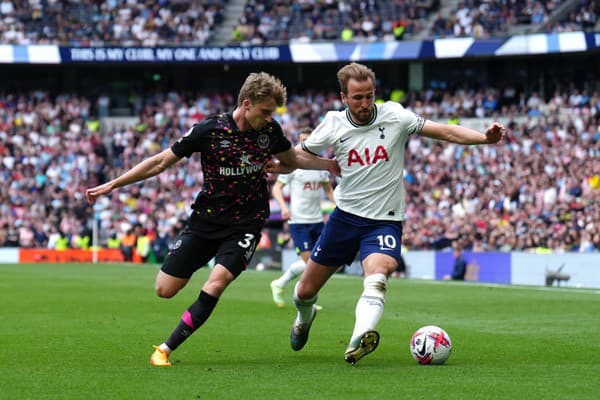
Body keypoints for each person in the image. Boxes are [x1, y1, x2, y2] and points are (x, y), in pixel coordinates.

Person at [85, 72, 338, 367]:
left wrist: (328, 165)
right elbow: (160, 161)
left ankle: (165, 348)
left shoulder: (269, 132)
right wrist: (114, 184)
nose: (270, 118)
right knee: (164, 290)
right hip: (206, 221)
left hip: (247, 223)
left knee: (217, 282)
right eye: (265, 111)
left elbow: (293, 160)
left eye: (273, 113)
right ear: (246, 104)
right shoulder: (210, 130)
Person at [265, 62, 505, 365]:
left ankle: (358, 339)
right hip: (344, 218)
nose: (365, 104)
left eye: (369, 96)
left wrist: (484, 138)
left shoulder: (395, 116)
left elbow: (444, 131)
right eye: (357, 98)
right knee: (304, 291)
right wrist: (283, 163)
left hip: (384, 220)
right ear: (343, 97)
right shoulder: (333, 123)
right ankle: (305, 316)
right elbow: (301, 155)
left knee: (378, 276)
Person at [269, 127, 336, 308]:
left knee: (317, 262)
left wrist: (339, 205)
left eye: (307, 140)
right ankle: (307, 300)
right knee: (311, 264)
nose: (304, 145)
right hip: (299, 222)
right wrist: (283, 207)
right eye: (301, 141)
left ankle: (280, 283)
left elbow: (328, 191)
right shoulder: (293, 166)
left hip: (316, 221)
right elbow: (276, 188)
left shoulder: (319, 166)